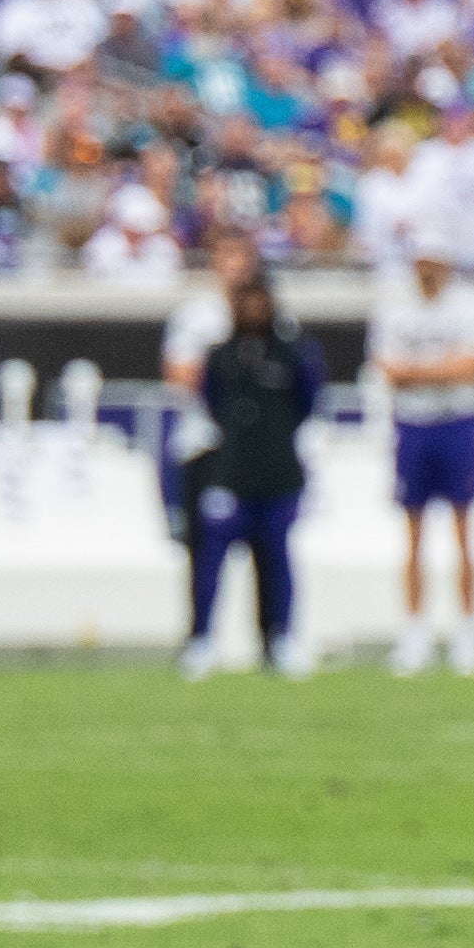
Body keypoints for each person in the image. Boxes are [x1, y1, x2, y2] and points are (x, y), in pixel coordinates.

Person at [181, 269, 321, 679]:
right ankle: (203, 639)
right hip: (231, 472)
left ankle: (281, 638)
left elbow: (306, 403)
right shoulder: (221, 355)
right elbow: (212, 403)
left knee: (277, 560)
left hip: (278, 473)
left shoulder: (293, 353)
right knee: (210, 561)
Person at [368, 231, 474, 677]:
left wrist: (417, 373)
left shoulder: (470, 304)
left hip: (457, 422)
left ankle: (467, 631)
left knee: (464, 534)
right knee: (413, 536)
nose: (428, 268)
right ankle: (416, 630)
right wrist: (442, 371)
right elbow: (387, 368)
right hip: (414, 425)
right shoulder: (394, 305)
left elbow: (471, 366)